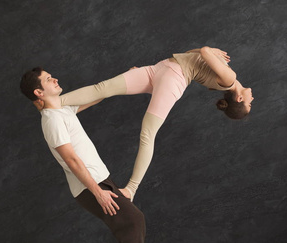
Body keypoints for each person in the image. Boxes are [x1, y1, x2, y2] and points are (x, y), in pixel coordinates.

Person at [35, 46, 255, 200]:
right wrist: (205, 53)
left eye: (249, 104)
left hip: (172, 78)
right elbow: (188, 55)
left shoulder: (229, 78)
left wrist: (210, 51)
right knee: (102, 88)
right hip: (160, 69)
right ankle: (49, 103)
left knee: (148, 133)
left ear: (239, 99)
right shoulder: (226, 80)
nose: (252, 99)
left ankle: (131, 189)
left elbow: (204, 52)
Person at [19, 67, 153, 243]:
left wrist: (126, 78)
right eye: (48, 79)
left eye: (53, 75)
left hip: (100, 179)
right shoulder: (51, 120)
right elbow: (71, 160)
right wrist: (98, 192)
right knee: (133, 222)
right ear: (39, 92)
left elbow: (98, 94)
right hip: (91, 186)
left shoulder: (63, 110)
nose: (55, 79)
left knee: (131, 224)